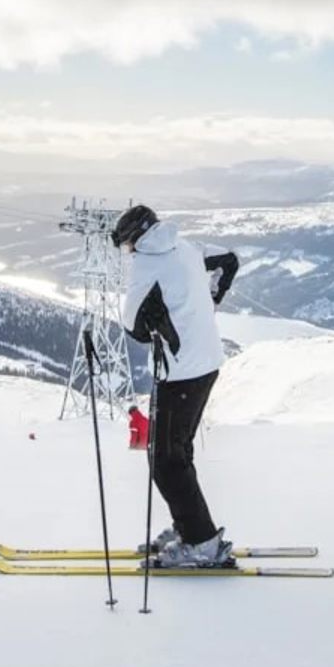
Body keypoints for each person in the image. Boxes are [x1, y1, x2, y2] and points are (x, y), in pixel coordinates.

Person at [113, 204, 238, 568]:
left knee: (165, 461)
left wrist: (158, 325)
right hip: (207, 363)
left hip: (181, 373)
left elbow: (132, 324)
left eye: (125, 245)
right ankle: (190, 528)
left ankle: (202, 543)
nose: (127, 252)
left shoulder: (145, 265)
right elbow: (228, 261)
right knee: (176, 452)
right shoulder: (184, 247)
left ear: (135, 238)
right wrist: (211, 299)